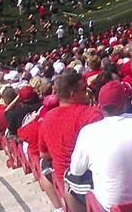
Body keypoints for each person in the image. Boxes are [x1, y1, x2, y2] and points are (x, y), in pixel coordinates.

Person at [65, 80, 132, 212]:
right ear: (125, 103)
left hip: (113, 208)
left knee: (68, 181)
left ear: (99, 106)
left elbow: (76, 171)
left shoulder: (88, 133)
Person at [37, 69, 102, 201]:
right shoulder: (91, 114)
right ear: (73, 94)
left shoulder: (47, 118)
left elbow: (43, 154)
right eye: (84, 89)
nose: (87, 91)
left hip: (64, 184)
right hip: (90, 184)